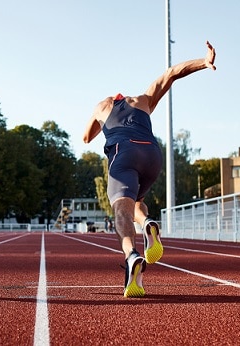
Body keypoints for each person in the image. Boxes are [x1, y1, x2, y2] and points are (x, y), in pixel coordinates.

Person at [82, 41, 216, 298]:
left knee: (121, 209)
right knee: (137, 201)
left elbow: (86, 138)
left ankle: (132, 254)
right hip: (152, 154)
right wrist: (204, 61)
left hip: (124, 154)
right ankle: (147, 222)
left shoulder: (102, 106)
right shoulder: (143, 100)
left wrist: (102, 121)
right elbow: (171, 73)